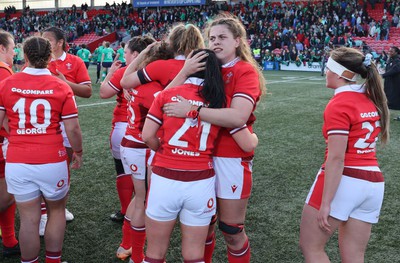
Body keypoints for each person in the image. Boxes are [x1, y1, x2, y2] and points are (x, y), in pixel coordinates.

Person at [163, 15, 266, 263]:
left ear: (237, 41)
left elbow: (238, 115)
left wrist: (194, 110)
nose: (216, 42)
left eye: (222, 37)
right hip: (200, 158)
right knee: (203, 227)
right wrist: (185, 70)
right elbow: (163, 100)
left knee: (231, 231)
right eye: (212, 38)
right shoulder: (207, 67)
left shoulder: (245, 71)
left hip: (231, 159)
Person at [142, 49, 258, 263]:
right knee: (194, 255)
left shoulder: (167, 94)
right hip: (200, 181)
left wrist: (162, 149)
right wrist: (255, 138)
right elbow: (247, 143)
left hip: (164, 178)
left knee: (154, 253)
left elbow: (147, 135)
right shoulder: (220, 101)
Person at [299, 47, 389, 263]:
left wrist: (327, 202)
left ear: (340, 73)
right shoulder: (371, 99)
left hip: (346, 180)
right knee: (355, 256)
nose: (325, 72)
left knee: (312, 248)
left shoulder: (339, 103)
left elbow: (337, 158)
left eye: (328, 68)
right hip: (373, 183)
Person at [0, 36, 83, 263]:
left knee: (28, 219)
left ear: (25, 56)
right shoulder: (61, 86)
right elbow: (73, 129)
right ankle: (53, 260)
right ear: (49, 57)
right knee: (56, 212)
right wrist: (78, 151)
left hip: (18, 159)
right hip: (52, 159)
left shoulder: (6, 83)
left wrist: (15, 130)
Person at [118, 41, 174, 263]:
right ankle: (137, 256)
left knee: (139, 197)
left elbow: (127, 79)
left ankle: (125, 244)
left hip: (131, 141)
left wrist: (143, 53)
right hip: (140, 145)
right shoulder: (154, 89)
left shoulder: (137, 81)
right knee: (143, 199)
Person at [41, 26, 91, 234]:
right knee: (43, 166)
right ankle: (44, 213)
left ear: (60, 42)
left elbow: (87, 91)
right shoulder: (38, 60)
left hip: (66, 119)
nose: (44, 42)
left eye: (48, 40)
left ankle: (58, 208)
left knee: (64, 166)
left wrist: (65, 83)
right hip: (44, 121)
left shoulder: (75, 61)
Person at [100, 36, 154, 227]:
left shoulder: (124, 72)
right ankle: (150, 209)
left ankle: (126, 211)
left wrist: (110, 74)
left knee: (123, 171)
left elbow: (104, 92)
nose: (124, 56)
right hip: (154, 129)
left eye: (126, 52)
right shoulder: (159, 71)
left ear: (137, 54)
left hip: (126, 128)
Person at [120, 23, 205, 90]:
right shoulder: (206, 66)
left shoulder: (160, 66)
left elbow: (125, 82)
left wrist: (143, 53)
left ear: (171, 43)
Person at [0, 30, 20, 258]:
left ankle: (9, 240)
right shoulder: (3, 73)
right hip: (3, 140)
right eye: (13, 47)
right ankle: (9, 239)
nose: (15, 51)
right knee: (7, 193)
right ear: (2, 48)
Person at [381, 46, 400, 120]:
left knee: (396, 98)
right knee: (387, 98)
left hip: (396, 83)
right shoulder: (390, 60)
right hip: (390, 83)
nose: (389, 53)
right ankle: (384, 114)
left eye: (391, 51)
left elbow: (396, 69)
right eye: (389, 51)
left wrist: (383, 75)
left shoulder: (398, 60)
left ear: (396, 52)